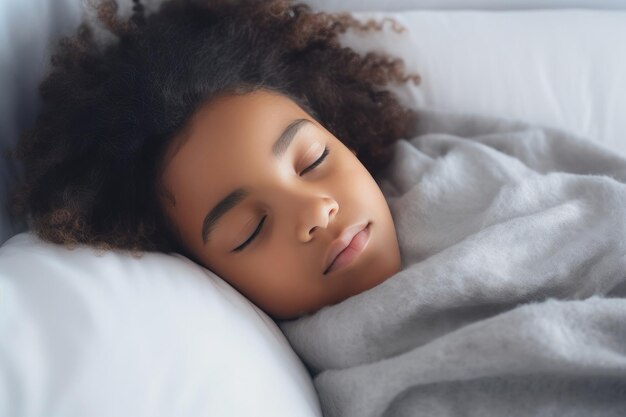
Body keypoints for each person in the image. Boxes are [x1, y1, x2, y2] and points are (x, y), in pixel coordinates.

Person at [9, 0, 421, 320]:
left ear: (341, 137)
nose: (316, 210)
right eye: (252, 229)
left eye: (313, 160)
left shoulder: (447, 160)